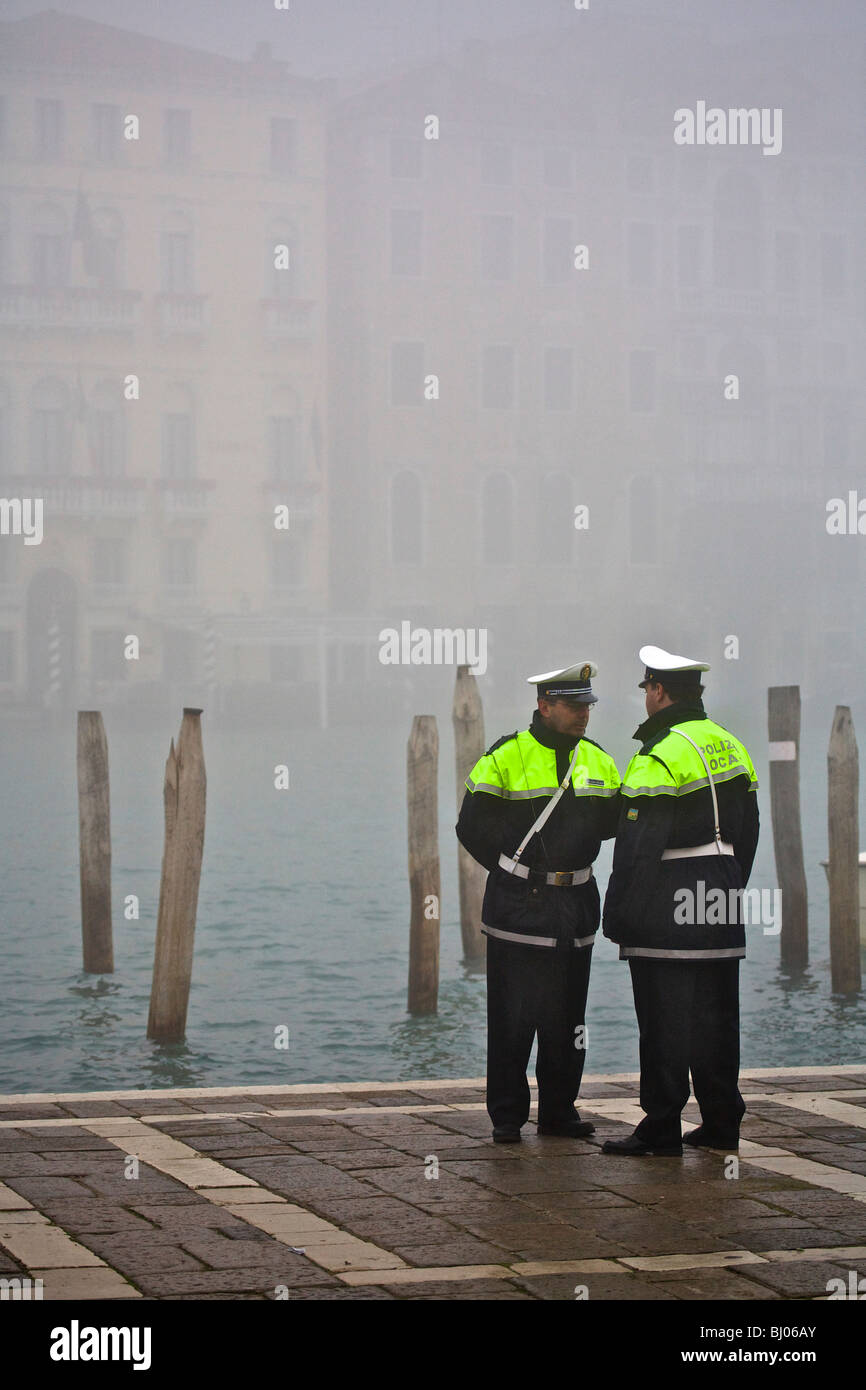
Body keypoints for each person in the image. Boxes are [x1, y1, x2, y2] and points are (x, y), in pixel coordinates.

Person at [601, 645, 760, 1156]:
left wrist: (620, 913)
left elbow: (636, 848)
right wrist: (731, 884)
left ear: (659, 691)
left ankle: (662, 1125)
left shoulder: (657, 755)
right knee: (717, 1018)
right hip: (721, 897)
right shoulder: (731, 746)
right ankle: (721, 1122)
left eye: (647, 688)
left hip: (667, 908)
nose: (645, 696)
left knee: (663, 1018)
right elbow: (750, 833)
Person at [456, 662, 621, 1143]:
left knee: (569, 1018)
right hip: (519, 907)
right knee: (512, 1016)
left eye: (586, 706)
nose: (582, 716)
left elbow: (614, 824)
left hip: (577, 904)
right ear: (544, 705)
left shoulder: (599, 759)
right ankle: (507, 1117)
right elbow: (471, 827)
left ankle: (559, 1112)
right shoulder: (505, 756)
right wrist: (512, 873)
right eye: (573, 707)